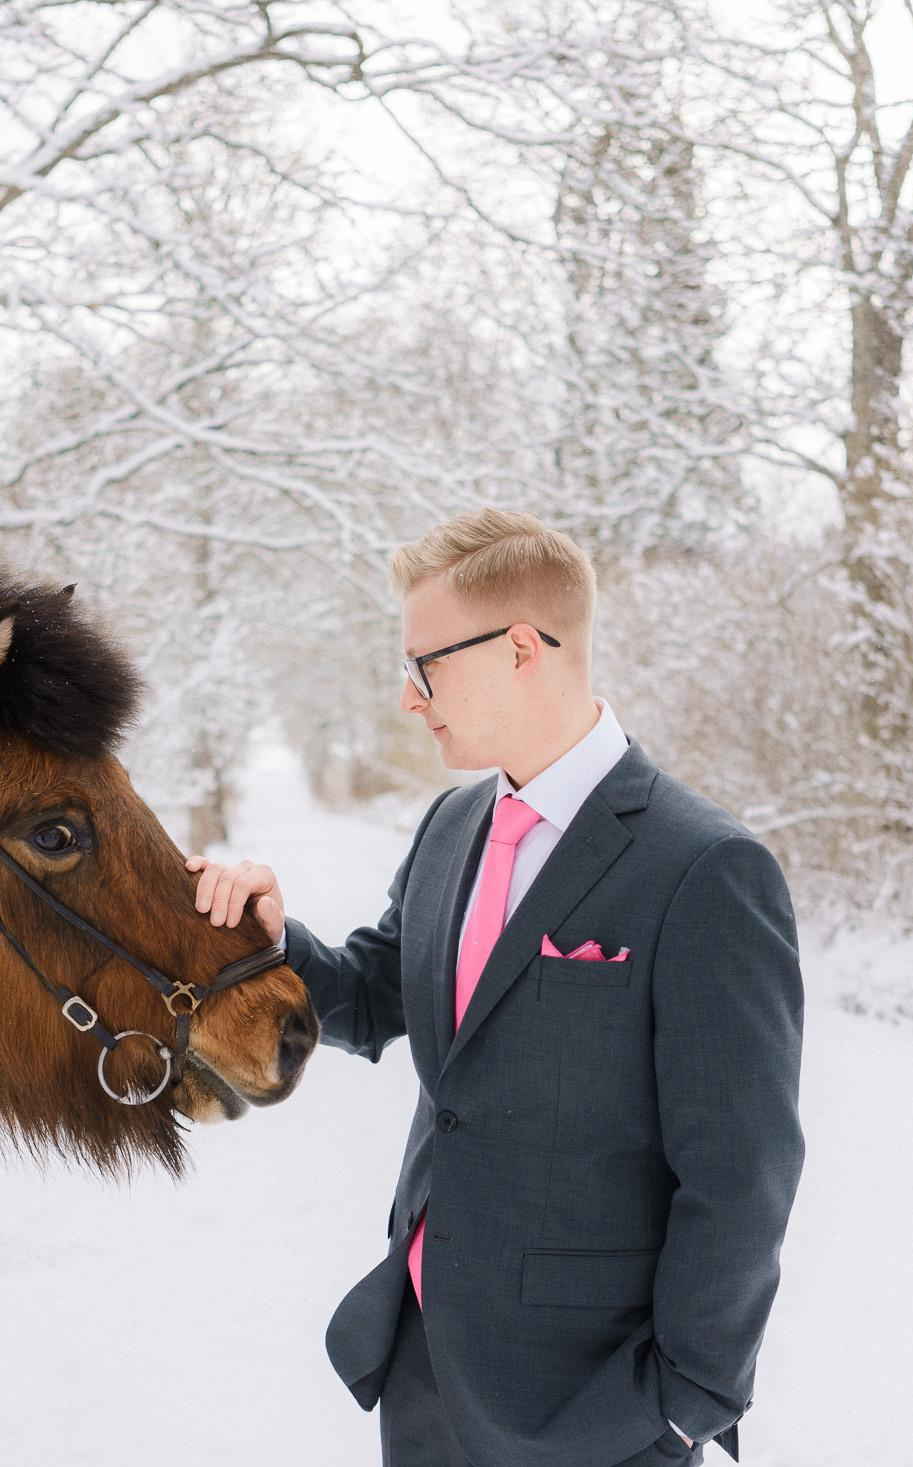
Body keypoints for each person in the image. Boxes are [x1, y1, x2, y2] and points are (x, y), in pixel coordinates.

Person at [187, 508, 806, 1467]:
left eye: (423, 665)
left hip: (596, 1411)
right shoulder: (453, 825)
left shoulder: (705, 868)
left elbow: (740, 1174)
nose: (408, 697)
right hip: (425, 1369)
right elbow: (374, 996)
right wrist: (276, 939)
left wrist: (683, 1402)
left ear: (522, 647)